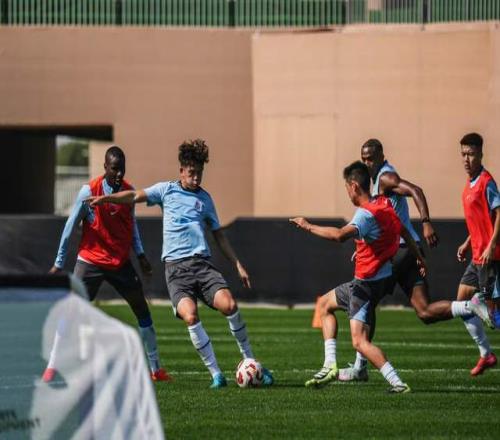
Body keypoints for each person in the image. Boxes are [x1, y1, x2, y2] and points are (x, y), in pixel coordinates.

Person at [87, 139, 273, 389]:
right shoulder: (166, 190)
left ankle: (252, 361)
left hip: (202, 266)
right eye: (192, 173)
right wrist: (106, 199)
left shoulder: (205, 199)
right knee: (190, 315)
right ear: (182, 170)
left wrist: (237, 264)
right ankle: (216, 374)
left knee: (230, 305)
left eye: (200, 173)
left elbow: (219, 235)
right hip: (176, 271)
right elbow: (134, 195)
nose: (196, 178)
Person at [338, 138, 489, 382]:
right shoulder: (376, 182)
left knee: (365, 297)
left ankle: (360, 367)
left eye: (371, 158)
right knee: (425, 312)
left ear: (381, 156)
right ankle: (469, 307)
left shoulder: (385, 178)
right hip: (407, 250)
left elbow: (415, 190)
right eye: (364, 159)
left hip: (398, 252)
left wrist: (426, 222)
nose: (367, 163)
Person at [291, 161, 425, 393]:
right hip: (380, 280)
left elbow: (339, 235)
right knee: (324, 304)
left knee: (359, 342)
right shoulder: (383, 204)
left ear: (354, 186)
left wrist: (307, 225)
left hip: (364, 286)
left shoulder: (365, 214)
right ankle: (330, 365)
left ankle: (397, 383)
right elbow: (402, 230)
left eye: (346, 188)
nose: (347, 192)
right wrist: (419, 257)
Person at [45, 146, 171, 382]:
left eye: (122, 169)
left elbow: (131, 226)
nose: (119, 174)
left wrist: (140, 255)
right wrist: (59, 263)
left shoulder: (129, 192)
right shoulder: (88, 191)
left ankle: (156, 369)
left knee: (142, 310)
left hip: (120, 262)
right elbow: (70, 227)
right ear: (105, 167)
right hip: (90, 260)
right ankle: (52, 366)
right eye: (114, 169)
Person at [455, 132, 499, 375]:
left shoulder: (486, 182)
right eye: (463, 154)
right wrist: (466, 243)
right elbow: (479, 221)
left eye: (471, 154)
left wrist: (492, 244)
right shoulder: (468, 185)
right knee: (462, 301)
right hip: (476, 256)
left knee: (494, 318)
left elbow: (499, 214)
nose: (466, 159)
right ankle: (486, 354)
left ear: (480, 154)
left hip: (489, 258)